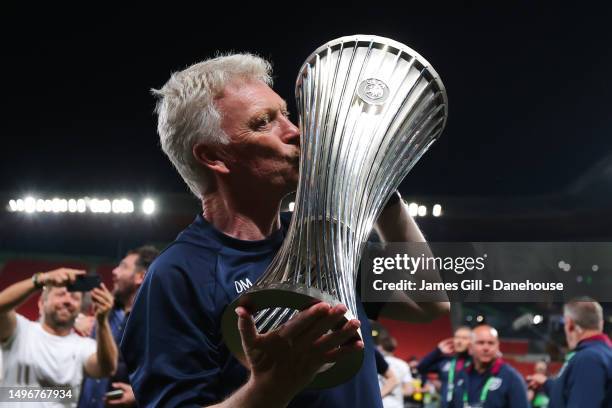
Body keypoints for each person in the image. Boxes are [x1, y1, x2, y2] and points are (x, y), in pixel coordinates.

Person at [121, 53, 450, 407]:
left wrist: (383, 193)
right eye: (263, 122)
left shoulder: (325, 241)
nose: (294, 131)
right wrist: (271, 387)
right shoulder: (177, 275)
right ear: (214, 157)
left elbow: (429, 302)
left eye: (286, 114)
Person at [0, 268, 117, 408]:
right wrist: (40, 279)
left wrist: (102, 321)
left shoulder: (84, 346)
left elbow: (106, 369)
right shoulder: (20, 330)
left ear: (80, 308)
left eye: (75, 297)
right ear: (41, 303)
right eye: (61, 294)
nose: (68, 300)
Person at [78, 246, 159, 408]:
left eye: (123, 267)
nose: (114, 271)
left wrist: (139, 395)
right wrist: (77, 320)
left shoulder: (159, 324)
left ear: (140, 277)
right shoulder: (105, 313)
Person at [528, 298, 611, 407]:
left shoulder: (588, 359)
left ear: (570, 324)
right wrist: (546, 383)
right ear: (601, 324)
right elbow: (575, 392)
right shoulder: (603, 354)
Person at [450, 325, 529, 408]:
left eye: (491, 343)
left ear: (497, 347)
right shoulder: (461, 376)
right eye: (480, 343)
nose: (486, 348)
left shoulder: (512, 378)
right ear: (470, 348)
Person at [417, 326, 472, 408]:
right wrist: (437, 351)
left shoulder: (477, 363)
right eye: (457, 337)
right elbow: (421, 368)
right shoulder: (446, 361)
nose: (459, 341)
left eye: (464, 338)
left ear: (472, 341)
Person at [378, 336, 412, 408]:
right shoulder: (403, 364)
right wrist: (396, 391)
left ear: (381, 347)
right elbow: (409, 390)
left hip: (378, 404)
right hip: (397, 405)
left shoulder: (374, 363)